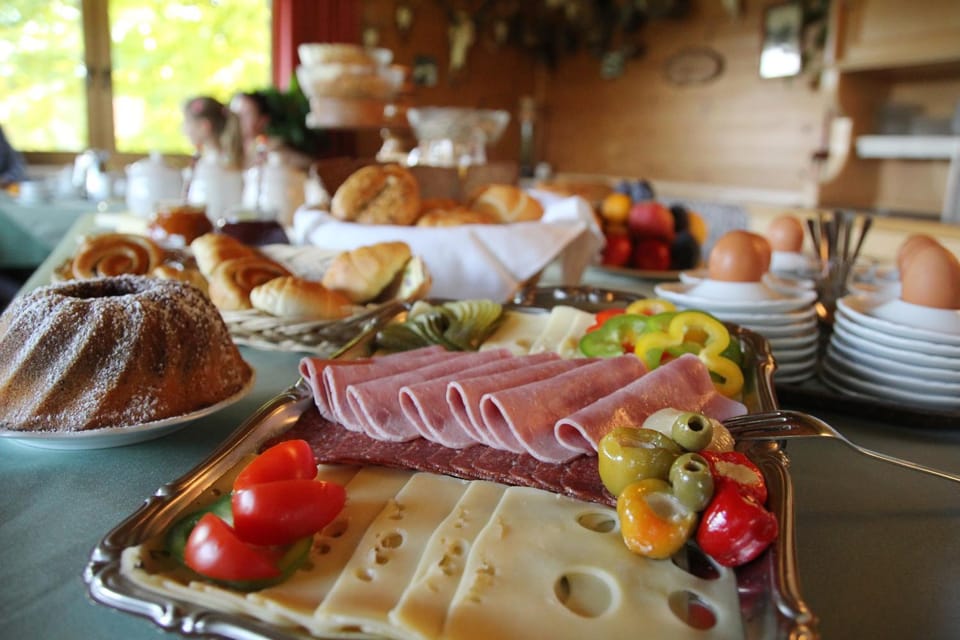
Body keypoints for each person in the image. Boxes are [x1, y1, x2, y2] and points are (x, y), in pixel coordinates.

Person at [182, 96, 244, 170]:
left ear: (204, 126)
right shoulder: (228, 160)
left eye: (187, 122)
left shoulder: (208, 167)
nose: (184, 130)